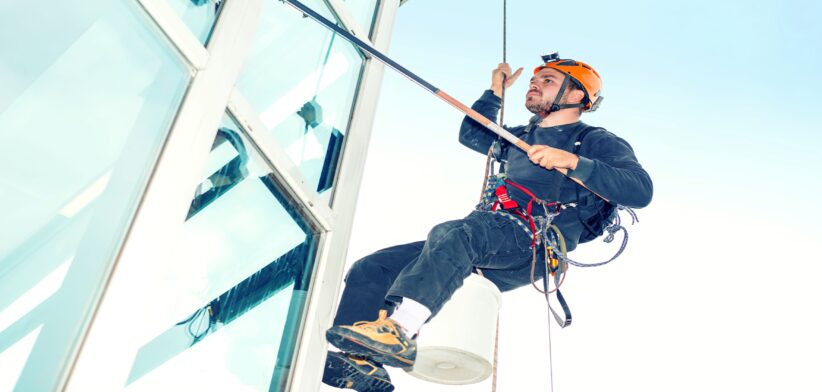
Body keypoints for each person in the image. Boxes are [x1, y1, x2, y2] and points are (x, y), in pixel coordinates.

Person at [321, 55, 653, 391]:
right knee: (374, 268)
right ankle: (363, 363)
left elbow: (639, 190)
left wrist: (572, 162)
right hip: (484, 239)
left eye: (549, 80)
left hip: (532, 242)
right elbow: (473, 135)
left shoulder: (592, 140)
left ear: (577, 96)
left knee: (455, 232)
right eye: (534, 81)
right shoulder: (521, 137)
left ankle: (399, 332)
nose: (535, 84)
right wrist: (495, 92)